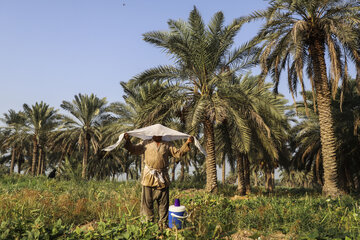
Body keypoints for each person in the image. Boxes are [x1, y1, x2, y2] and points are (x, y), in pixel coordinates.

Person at [123, 133, 193, 228]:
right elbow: (134, 149)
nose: (158, 135)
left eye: (160, 134)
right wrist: (127, 140)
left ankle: (163, 224)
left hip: (162, 177)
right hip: (149, 177)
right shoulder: (145, 143)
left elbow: (178, 153)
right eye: (155, 133)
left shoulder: (167, 145)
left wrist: (187, 143)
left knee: (163, 203)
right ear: (152, 134)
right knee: (147, 203)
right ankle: (148, 224)